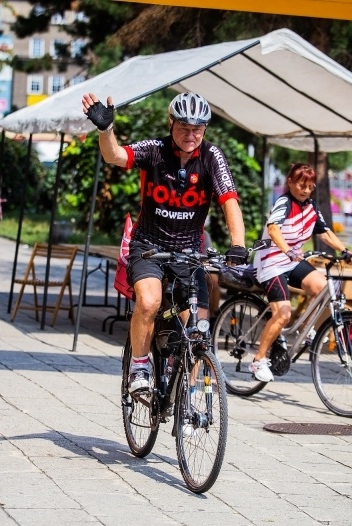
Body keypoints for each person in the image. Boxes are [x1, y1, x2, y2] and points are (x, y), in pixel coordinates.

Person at [81, 92, 247, 393]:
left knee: (198, 327)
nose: (190, 134)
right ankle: (140, 366)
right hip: (149, 245)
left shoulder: (212, 156)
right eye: (184, 127)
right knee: (149, 301)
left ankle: (189, 400)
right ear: (171, 123)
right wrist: (105, 130)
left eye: (197, 128)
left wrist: (238, 243)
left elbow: (229, 201)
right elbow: (115, 156)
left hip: (188, 250)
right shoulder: (155, 149)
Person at [249, 163, 352, 382]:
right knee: (283, 314)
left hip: (292, 261)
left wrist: (344, 251)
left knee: (325, 286)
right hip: (271, 263)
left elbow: (325, 233)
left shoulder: (311, 207)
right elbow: (273, 229)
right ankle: (258, 360)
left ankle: (306, 330)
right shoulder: (284, 202)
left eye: (310, 186)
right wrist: (287, 249)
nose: (306, 190)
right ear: (290, 182)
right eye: (301, 185)